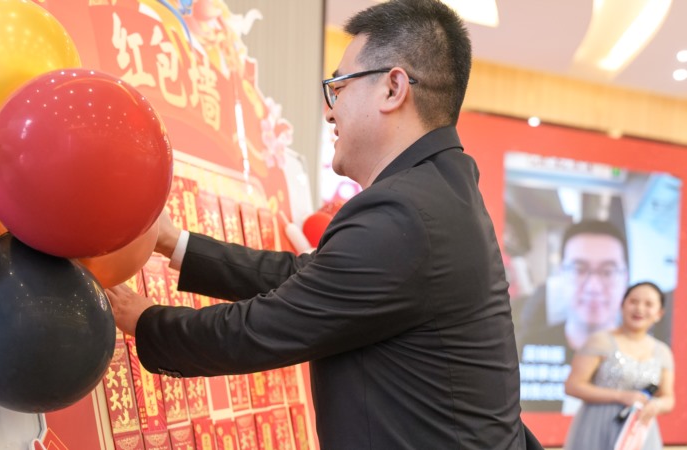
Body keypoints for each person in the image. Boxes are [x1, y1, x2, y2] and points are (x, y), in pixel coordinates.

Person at [108, 1, 532, 448]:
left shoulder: (406, 212)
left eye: (339, 88)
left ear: (393, 88)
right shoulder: (440, 192)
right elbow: (310, 280)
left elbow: (264, 328)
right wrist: (174, 242)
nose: (330, 112)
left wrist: (143, 319)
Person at [515, 220, 629, 411]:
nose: (593, 287)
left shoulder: (645, 352)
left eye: (608, 272)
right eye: (579, 269)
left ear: (625, 276)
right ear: (562, 274)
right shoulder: (522, 348)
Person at [563, 281, 675, 449]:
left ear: (659, 313)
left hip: (640, 431)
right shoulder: (600, 341)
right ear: (622, 305)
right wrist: (621, 396)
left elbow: (668, 398)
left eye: (648, 304)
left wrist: (656, 405)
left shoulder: (663, 351)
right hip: (597, 427)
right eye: (633, 301)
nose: (639, 309)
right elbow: (572, 386)